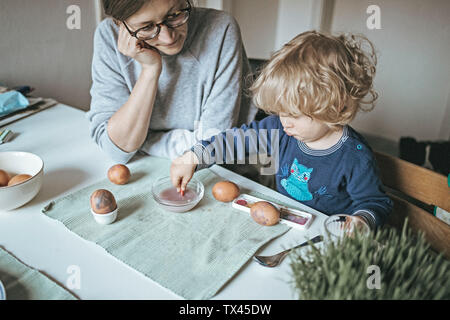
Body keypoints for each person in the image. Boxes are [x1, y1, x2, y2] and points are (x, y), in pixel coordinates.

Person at [170, 30, 393, 229]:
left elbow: (374, 202)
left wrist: (362, 221)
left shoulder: (355, 156)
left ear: (336, 106)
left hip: (324, 239)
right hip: (285, 222)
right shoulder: (280, 128)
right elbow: (237, 141)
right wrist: (195, 156)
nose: (285, 122)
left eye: (294, 114)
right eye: (280, 112)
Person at [87, 0, 257, 164]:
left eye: (175, 15)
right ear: (120, 24)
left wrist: (143, 143)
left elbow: (211, 147)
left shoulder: (221, 28)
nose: (168, 38)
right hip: (148, 167)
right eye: (146, 27)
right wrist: (150, 70)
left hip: (219, 171)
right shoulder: (108, 36)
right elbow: (116, 150)